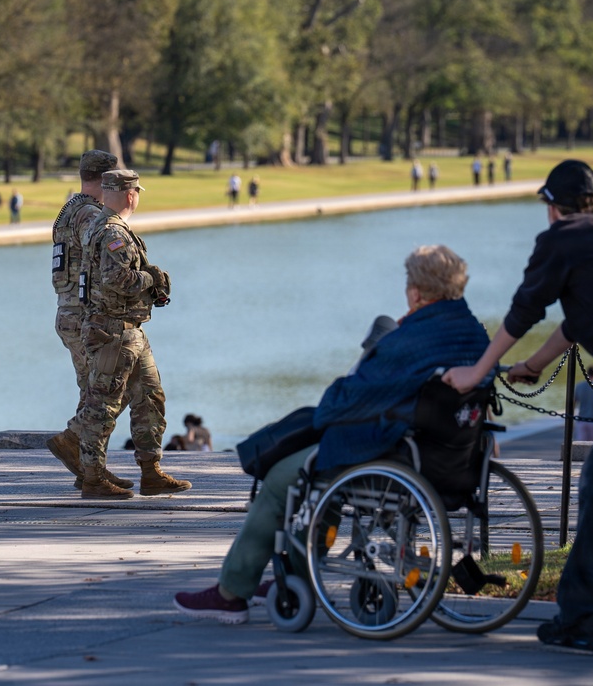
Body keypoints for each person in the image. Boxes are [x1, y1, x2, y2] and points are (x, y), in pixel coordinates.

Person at [173, 244, 490, 623]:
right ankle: (296, 577)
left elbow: (348, 399)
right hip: (451, 457)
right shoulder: (473, 332)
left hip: (397, 454)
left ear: (417, 292)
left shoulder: (410, 339)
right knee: (321, 467)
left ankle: (231, 592)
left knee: (282, 478)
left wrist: (331, 407)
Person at [442, 160, 593, 654]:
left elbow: (525, 309)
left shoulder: (560, 241)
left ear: (551, 208)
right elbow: (578, 322)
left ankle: (582, 618)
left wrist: (477, 372)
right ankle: (582, 620)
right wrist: (537, 364)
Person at [70, 169, 192, 499]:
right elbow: (119, 280)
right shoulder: (112, 232)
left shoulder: (115, 229)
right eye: (137, 191)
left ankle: (151, 472)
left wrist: (151, 282)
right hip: (112, 333)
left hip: (132, 333)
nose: (137, 196)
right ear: (130, 195)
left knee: (150, 398)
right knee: (102, 408)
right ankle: (93, 479)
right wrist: (151, 278)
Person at [45, 150, 133, 492]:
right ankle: (77, 449)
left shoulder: (69, 209)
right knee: (106, 390)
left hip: (68, 312)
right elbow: (102, 262)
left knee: (94, 390)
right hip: (84, 315)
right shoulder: (89, 215)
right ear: (106, 179)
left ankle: (90, 468)